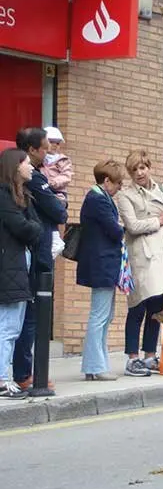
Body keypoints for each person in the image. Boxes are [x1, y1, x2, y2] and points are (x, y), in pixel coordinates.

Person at [116, 150, 163, 376]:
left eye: (142, 168)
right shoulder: (125, 195)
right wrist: (160, 221)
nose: (139, 173)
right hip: (140, 256)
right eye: (134, 169)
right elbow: (133, 226)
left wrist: (157, 229)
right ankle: (132, 358)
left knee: (157, 307)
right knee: (137, 306)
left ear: (149, 167)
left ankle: (149, 355)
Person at [12, 128, 67, 389]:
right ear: (32, 150)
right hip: (37, 256)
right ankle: (24, 374)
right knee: (31, 318)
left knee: (29, 317)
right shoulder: (32, 177)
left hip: (38, 253)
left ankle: (24, 372)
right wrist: (58, 203)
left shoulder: (33, 176)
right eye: (45, 148)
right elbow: (58, 211)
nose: (49, 152)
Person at [77, 160, 128, 382]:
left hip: (102, 264)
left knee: (104, 316)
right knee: (99, 316)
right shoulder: (98, 200)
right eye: (118, 183)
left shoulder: (99, 198)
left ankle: (96, 364)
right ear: (106, 181)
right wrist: (125, 228)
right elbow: (115, 231)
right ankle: (96, 366)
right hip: (101, 264)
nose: (119, 187)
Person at [0, 149, 43, 399]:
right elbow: (24, 228)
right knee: (8, 327)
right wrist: (34, 229)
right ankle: (3, 380)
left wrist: (33, 228)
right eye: (27, 163)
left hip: (19, 265)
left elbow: (34, 225)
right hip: (10, 267)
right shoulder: (3, 196)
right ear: (15, 166)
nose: (31, 167)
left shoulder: (23, 195)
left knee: (12, 327)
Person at [41, 126, 72, 258]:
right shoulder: (41, 158)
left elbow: (66, 176)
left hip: (58, 193)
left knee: (55, 209)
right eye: (51, 141)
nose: (54, 145)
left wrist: (51, 183)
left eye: (57, 143)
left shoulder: (63, 160)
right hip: (43, 191)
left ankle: (55, 237)